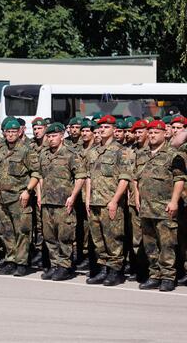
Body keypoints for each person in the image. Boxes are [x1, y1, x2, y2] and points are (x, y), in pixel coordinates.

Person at [134, 120, 185, 292]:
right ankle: (154, 275)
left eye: (156, 132)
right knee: (150, 245)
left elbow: (179, 180)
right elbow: (137, 179)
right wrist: (137, 197)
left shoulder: (173, 154)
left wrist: (174, 201)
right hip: (146, 208)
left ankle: (168, 277)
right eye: (151, 132)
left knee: (167, 245)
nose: (153, 135)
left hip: (164, 209)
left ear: (165, 133)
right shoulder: (142, 155)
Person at [84, 115, 131, 286]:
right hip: (95, 201)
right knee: (98, 240)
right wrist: (88, 198)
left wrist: (115, 201)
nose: (102, 130)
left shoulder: (121, 151)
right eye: (100, 127)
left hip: (110, 202)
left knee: (113, 238)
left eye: (106, 127)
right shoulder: (93, 152)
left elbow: (124, 178)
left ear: (113, 129)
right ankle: (103, 270)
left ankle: (115, 271)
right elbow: (89, 176)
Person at [37, 122, 87, 281]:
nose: (51, 139)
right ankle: (54, 265)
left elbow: (80, 177)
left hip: (63, 203)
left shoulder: (70, 154)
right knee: (49, 236)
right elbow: (39, 176)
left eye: (54, 136)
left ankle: (65, 266)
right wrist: (39, 195)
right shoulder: (44, 155)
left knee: (64, 236)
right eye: (49, 136)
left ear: (61, 136)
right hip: (46, 201)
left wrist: (73, 197)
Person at [0, 119, 40, 277]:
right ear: (4, 132)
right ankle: (10, 260)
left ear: (19, 132)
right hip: (3, 197)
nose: (11, 134)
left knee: (22, 231)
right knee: (7, 231)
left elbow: (36, 173)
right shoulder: (0, 150)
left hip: (19, 197)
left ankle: (21, 262)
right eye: (8, 132)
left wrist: (27, 191)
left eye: (14, 132)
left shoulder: (26, 150)